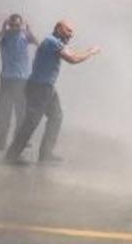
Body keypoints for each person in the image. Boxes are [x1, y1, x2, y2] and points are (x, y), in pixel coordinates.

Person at [5, 20, 100, 164]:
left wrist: (87, 51)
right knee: (31, 122)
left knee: (56, 117)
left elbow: (72, 53)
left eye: (71, 32)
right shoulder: (51, 42)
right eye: (68, 31)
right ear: (58, 29)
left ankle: (45, 154)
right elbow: (73, 59)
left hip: (46, 87)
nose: (71, 35)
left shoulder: (56, 42)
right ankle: (12, 155)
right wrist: (91, 52)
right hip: (39, 88)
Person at [0, 14, 38, 150]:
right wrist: (2, 30)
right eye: (12, 25)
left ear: (21, 25)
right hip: (7, 80)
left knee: (21, 114)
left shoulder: (25, 36)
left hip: (23, 80)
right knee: (5, 113)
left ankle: (19, 141)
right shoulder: (5, 36)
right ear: (9, 24)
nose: (15, 28)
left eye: (17, 25)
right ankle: (1, 143)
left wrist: (29, 31)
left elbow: (37, 44)